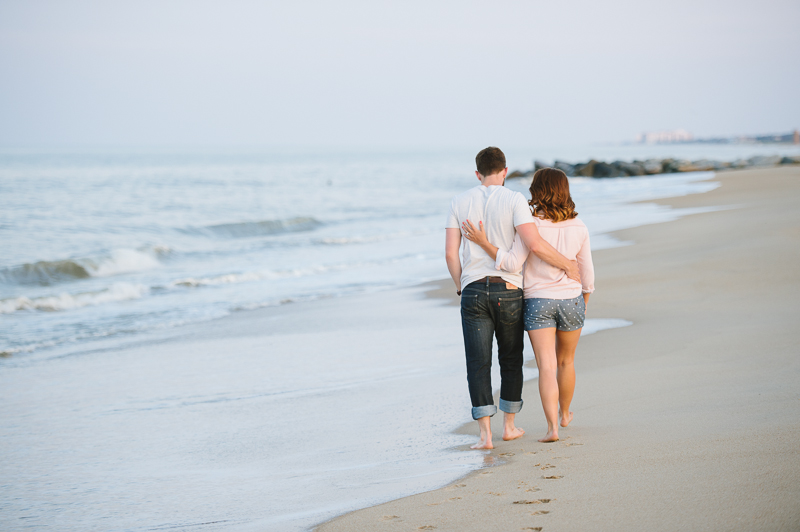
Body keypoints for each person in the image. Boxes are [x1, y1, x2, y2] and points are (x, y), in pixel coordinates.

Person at [445, 148, 580, 450]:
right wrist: (568, 265)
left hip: (473, 290)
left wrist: (460, 285)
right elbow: (534, 243)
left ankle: (484, 436)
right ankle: (509, 426)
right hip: (508, 290)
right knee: (510, 358)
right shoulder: (516, 199)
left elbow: (450, 253)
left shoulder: (459, 201)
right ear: (505, 172)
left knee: (478, 363)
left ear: (477, 174)